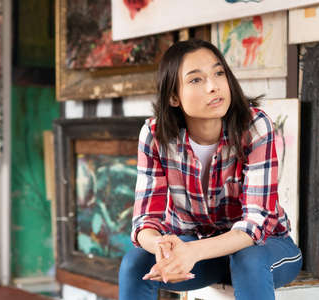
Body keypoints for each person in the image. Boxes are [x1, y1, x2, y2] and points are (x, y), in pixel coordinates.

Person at [119, 39, 302, 300]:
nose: (213, 86)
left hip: (265, 249)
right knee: (134, 264)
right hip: (201, 253)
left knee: (247, 259)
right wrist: (161, 246)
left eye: (218, 73)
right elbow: (145, 220)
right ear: (173, 96)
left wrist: (192, 252)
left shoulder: (255, 127)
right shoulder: (155, 135)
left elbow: (254, 225)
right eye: (196, 80)